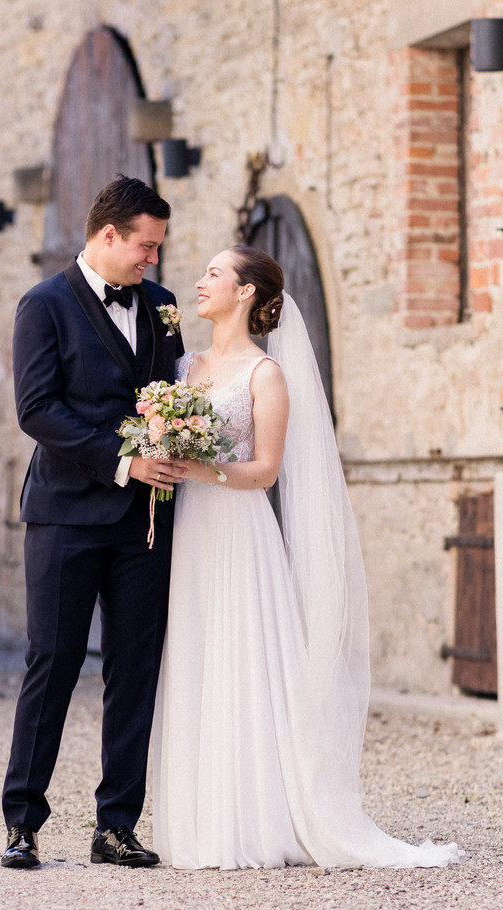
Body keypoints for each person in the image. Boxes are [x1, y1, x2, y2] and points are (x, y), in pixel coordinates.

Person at [150, 246, 463, 869]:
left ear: (245, 293)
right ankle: (202, 819)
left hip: (239, 530)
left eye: (214, 273)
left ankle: (259, 818)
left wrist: (201, 466)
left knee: (244, 657)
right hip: (191, 531)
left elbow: (265, 471)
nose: (199, 281)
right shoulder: (182, 366)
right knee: (195, 652)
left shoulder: (266, 376)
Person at [0, 177, 186, 869]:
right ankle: (22, 823)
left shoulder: (163, 306)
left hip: (145, 523)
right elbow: (37, 410)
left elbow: (173, 390)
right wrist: (123, 461)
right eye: (145, 246)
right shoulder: (43, 305)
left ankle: (117, 826)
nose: (152, 261)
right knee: (53, 662)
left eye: (158, 248)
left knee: (135, 669)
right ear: (108, 236)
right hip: (66, 517)